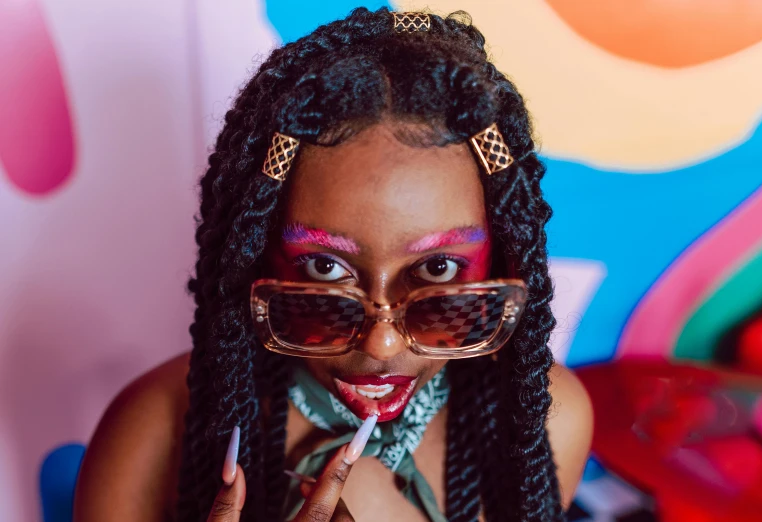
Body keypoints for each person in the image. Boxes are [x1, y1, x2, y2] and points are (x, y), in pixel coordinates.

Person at [73, 8, 592, 522]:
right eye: (324, 267)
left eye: (438, 269)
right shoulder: (155, 431)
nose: (381, 344)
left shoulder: (546, 426)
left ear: (501, 261)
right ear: (256, 254)